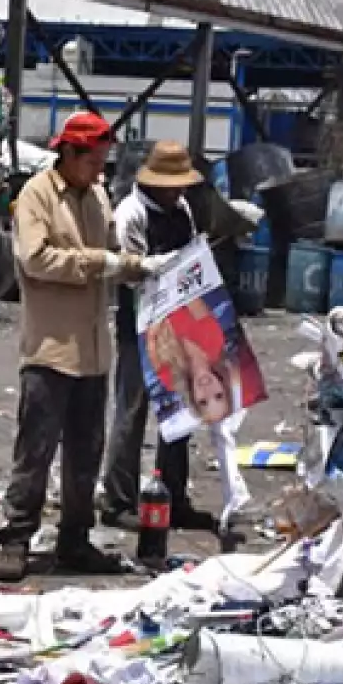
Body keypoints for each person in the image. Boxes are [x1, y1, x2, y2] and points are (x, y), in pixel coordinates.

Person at [0, 112, 150, 584]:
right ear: (69, 154)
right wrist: (101, 262)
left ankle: (74, 540)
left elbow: (109, 258)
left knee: (86, 452)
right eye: (94, 161)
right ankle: (17, 538)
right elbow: (36, 259)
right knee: (35, 451)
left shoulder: (99, 196)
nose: (99, 170)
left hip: (93, 350)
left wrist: (137, 267)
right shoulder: (36, 196)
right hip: (50, 348)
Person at [98, 141, 221, 533]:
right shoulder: (130, 215)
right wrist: (155, 269)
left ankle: (174, 496)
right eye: (172, 185)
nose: (178, 192)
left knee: (181, 414)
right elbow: (126, 271)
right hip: (139, 326)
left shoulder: (181, 210)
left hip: (179, 323)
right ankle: (118, 501)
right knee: (131, 413)